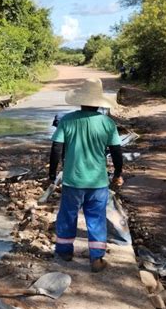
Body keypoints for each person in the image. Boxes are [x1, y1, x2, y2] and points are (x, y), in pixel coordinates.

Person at [48, 78, 123, 273]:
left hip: (73, 180)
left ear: (80, 100)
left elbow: (57, 148)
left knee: (67, 215)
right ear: (98, 102)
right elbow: (116, 151)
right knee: (96, 217)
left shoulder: (68, 120)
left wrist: (51, 173)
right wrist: (118, 173)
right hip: (98, 182)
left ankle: (65, 251)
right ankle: (96, 259)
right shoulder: (108, 123)